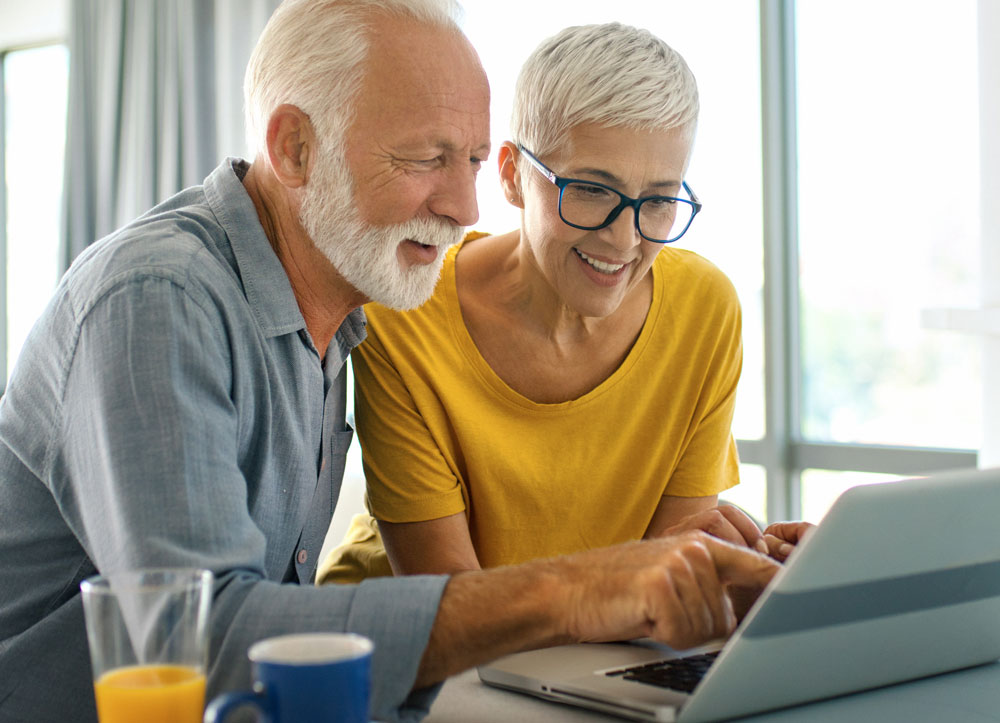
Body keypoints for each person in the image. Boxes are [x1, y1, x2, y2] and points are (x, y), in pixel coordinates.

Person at [0, 2, 788, 722]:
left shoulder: (343, 313)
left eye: (472, 161)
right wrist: (582, 589)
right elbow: (206, 642)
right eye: (424, 159)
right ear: (295, 148)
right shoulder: (161, 300)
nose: (467, 209)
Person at [319, 21, 794, 583]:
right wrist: (644, 586)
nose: (625, 240)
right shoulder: (406, 310)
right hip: (404, 656)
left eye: (660, 200)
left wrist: (761, 578)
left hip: (590, 655)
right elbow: (449, 606)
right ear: (513, 176)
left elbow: (671, 587)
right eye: (592, 190)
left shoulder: (704, 310)